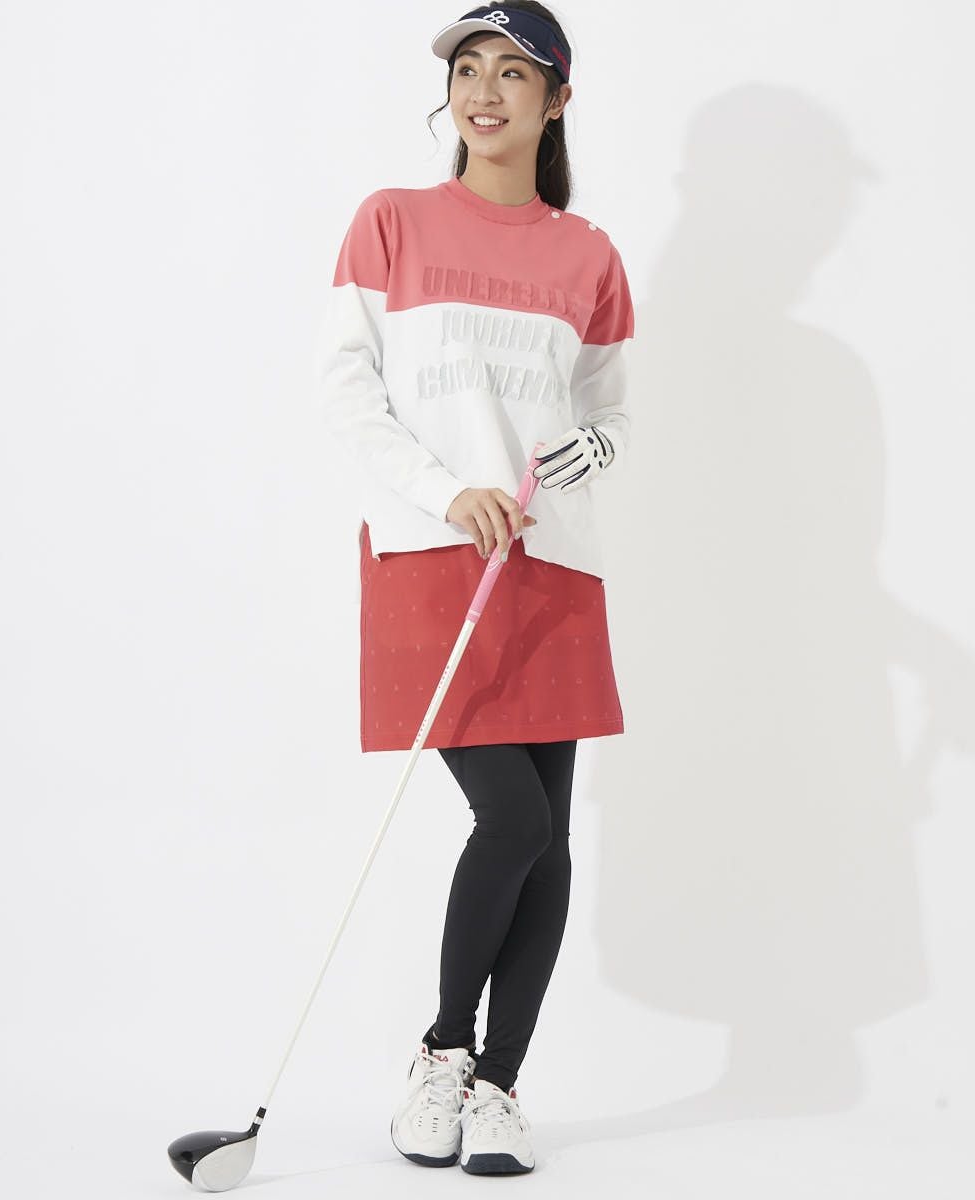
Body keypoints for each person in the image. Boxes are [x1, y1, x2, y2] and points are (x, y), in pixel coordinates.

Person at [314, 1, 634, 1176]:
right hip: (429, 555)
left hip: (552, 565)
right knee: (516, 819)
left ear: (556, 100)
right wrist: (446, 491)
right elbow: (347, 389)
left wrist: (596, 447)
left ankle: (498, 1087)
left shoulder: (588, 253)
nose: (483, 91)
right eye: (468, 69)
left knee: (547, 844)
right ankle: (444, 1052)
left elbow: (610, 407)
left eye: (513, 72)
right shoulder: (389, 222)